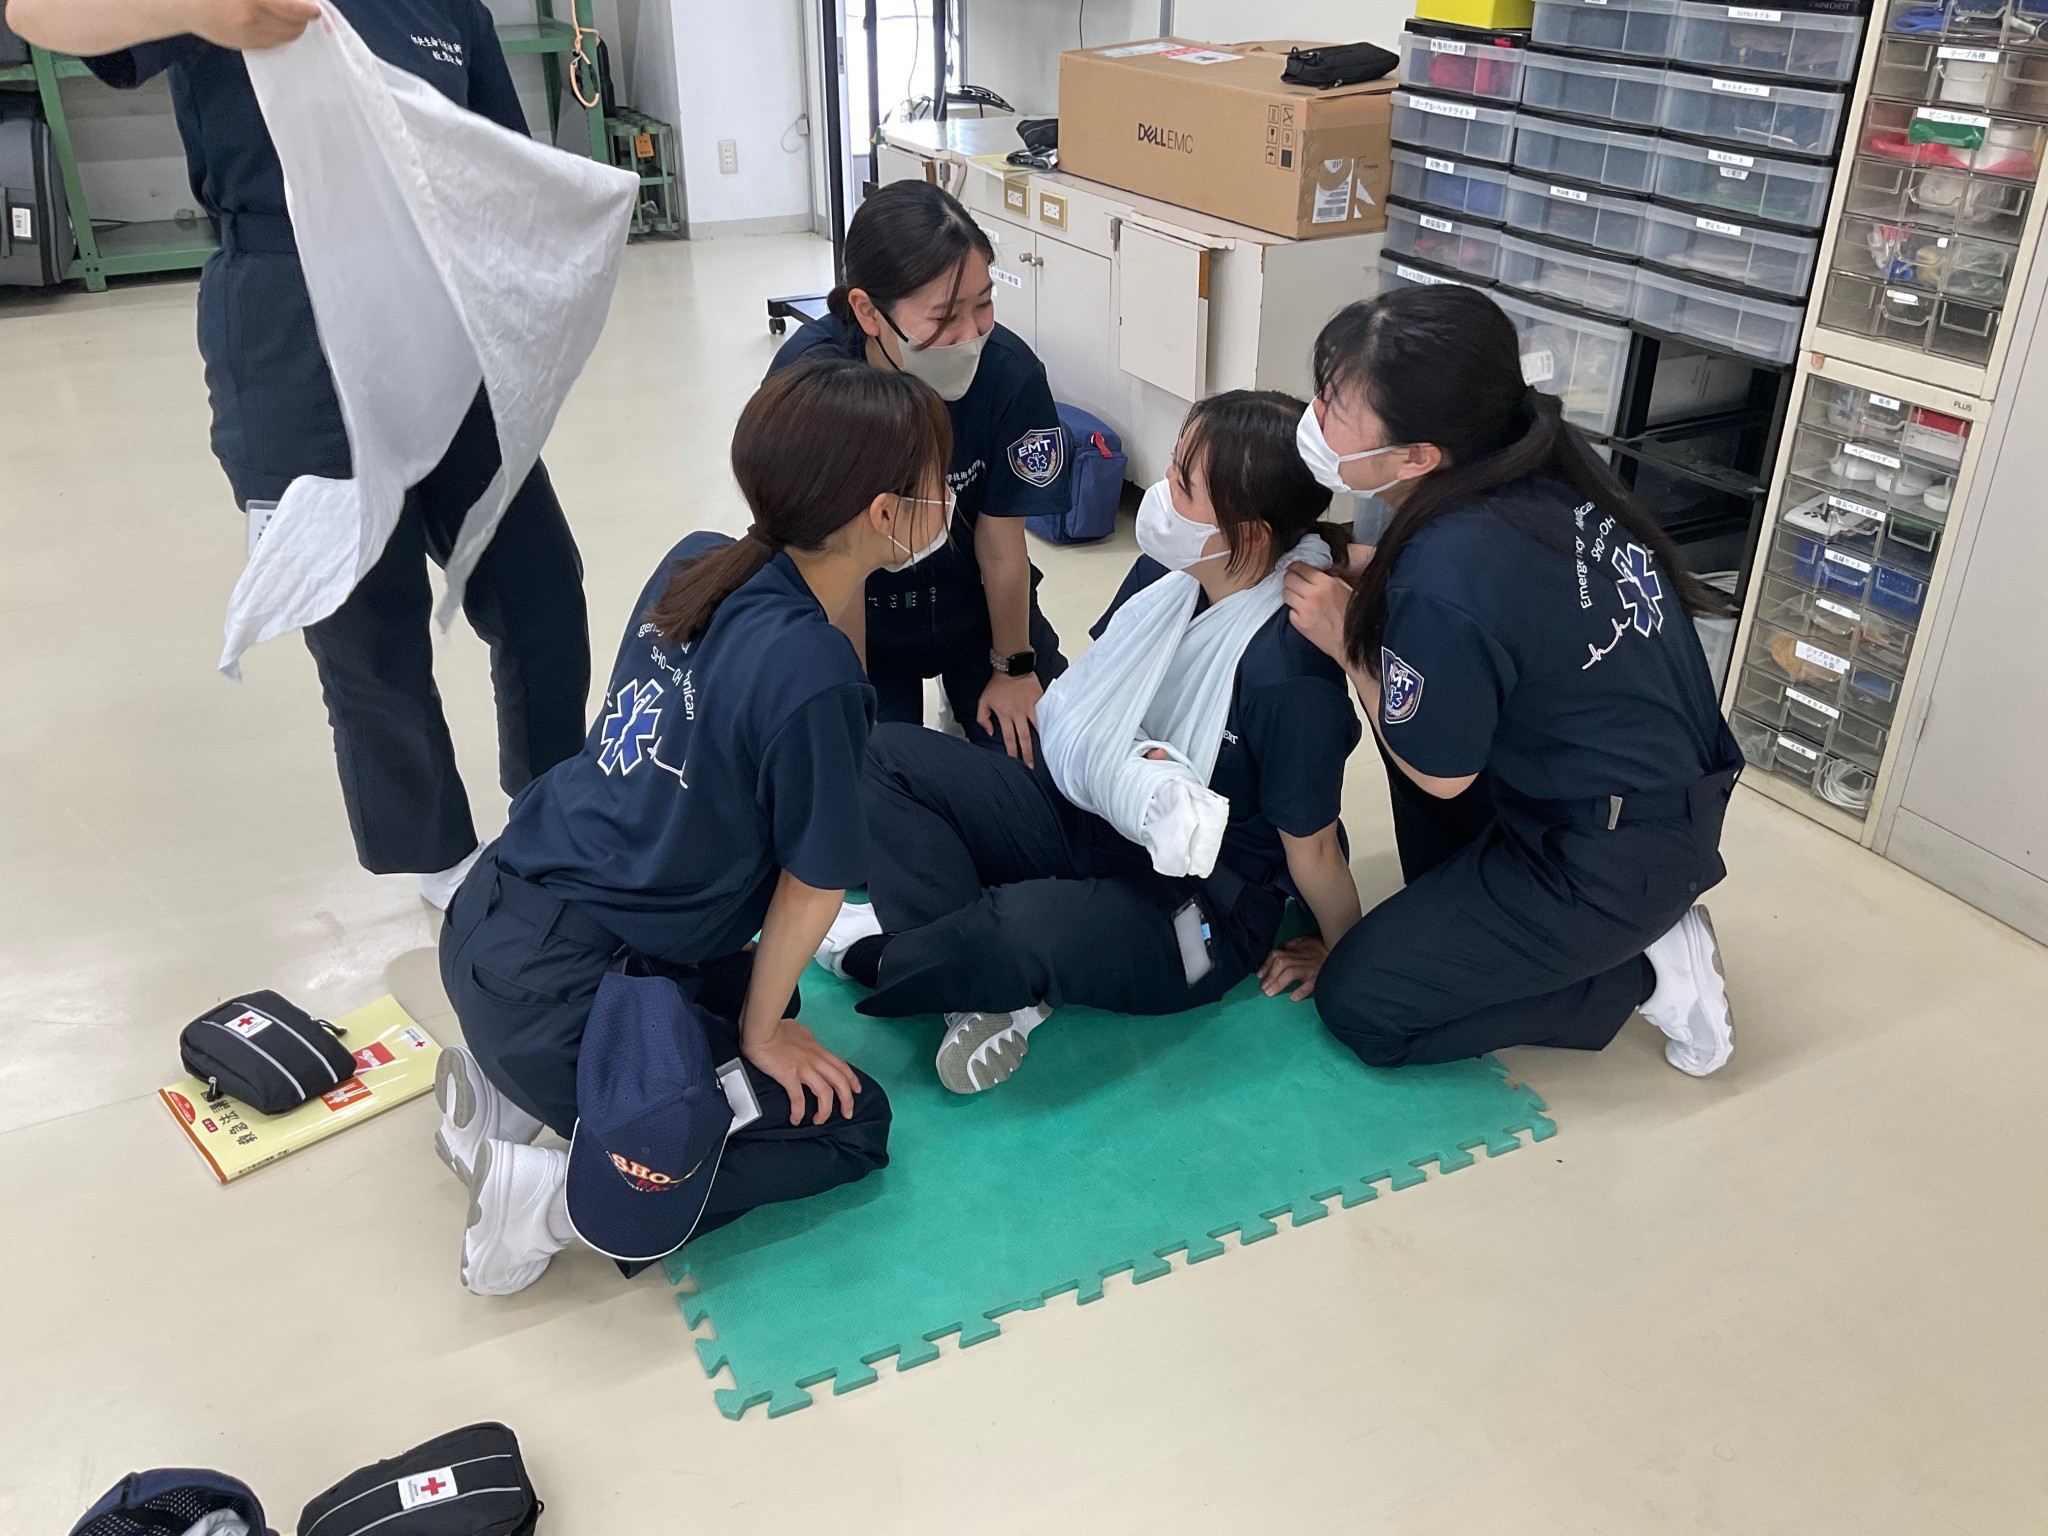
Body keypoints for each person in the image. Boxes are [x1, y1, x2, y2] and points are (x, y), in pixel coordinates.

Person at [7, 0, 592, 907]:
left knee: (538, 582)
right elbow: (39, 13)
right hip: (291, 322)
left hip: (438, 317)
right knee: (366, 622)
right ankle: (439, 859)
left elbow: (501, 166)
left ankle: (553, 802)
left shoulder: (446, 8)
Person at [434, 356, 948, 1294]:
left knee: (765, 993)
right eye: (935, 484)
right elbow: (814, 886)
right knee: (849, 1124)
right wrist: (761, 1035)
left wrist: (764, 1015)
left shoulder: (697, 559)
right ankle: (544, 1198)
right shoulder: (816, 679)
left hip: (490, 917)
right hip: (561, 995)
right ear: (885, 514)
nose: (944, 499)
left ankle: (511, 1093)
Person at [816, 391, 1363, 1094]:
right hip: (1086, 814)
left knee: (1020, 929)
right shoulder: (1170, 573)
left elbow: (1314, 849)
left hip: (1199, 902)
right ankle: (971, 989)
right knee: (880, 757)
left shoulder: (1290, 673)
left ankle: (884, 955)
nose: (1161, 493)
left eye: (1183, 484)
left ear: (1251, 537)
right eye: (1173, 467)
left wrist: (1344, 952)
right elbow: (1098, 707)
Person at [1275, 286, 1746, 1077]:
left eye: (1335, 410)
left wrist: (1347, 643)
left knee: (1363, 1004)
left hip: (1611, 855)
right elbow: (1496, 604)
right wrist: (1356, 568)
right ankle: (1543, 924)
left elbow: (1441, 774)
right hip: (1637, 790)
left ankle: (1646, 973)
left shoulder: (1450, 567)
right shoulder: (1527, 460)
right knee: (1410, 681)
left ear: (1418, 456)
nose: (1314, 419)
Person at [769, 179, 1069, 763]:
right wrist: (853, 700)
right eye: (944, 316)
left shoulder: (1008, 375)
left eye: (984, 303)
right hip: (859, 614)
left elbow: (1002, 545)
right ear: (868, 312)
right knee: (872, 775)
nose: (971, 334)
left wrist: (1013, 666)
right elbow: (839, 567)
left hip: (975, 605)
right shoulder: (815, 390)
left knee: (1044, 768)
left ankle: (969, 705)